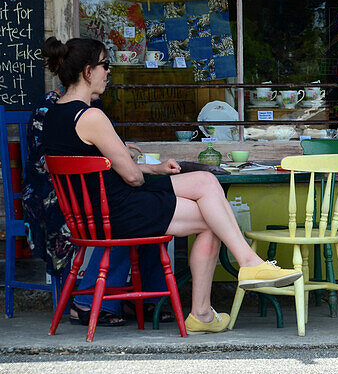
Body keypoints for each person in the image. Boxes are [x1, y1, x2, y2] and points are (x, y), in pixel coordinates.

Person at [41, 36, 302, 334]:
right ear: (88, 72)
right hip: (117, 213)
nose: (108, 72)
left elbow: (98, 168)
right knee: (209, 205)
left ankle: (235, 279)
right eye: (105, 65)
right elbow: (132, 178)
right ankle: (220, 292)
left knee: (206, 193)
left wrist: (152, 167)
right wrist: (142, 170)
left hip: (92, 217)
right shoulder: (91, 116)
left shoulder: (55, 115)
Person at [25, 90, 167, 327]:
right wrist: (116, 155)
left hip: (93, 189)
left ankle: (144, 296)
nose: (107, 74)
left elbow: (101, 152)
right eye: (102, 66)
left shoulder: (93, 105)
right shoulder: (52, 108)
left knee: (148, 207)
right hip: (57, 193)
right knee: (128, 217)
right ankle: (92, 300)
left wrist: (119, 151)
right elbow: (48, 162)